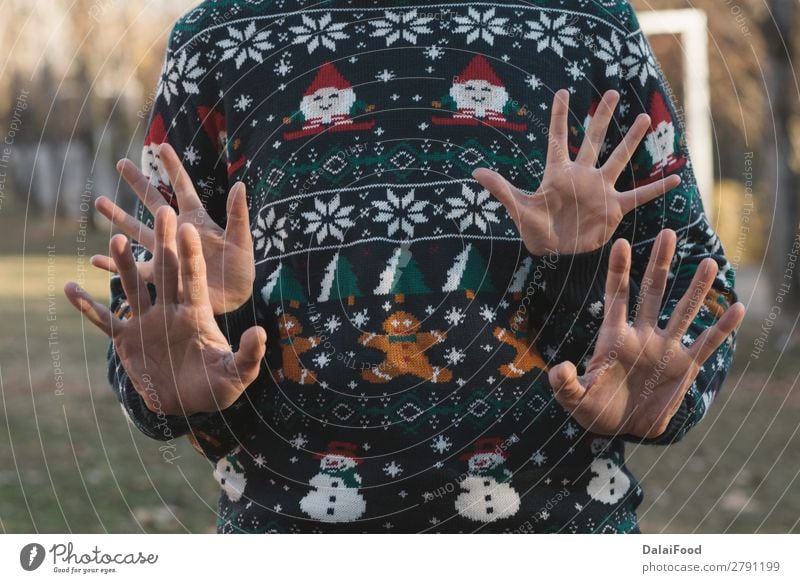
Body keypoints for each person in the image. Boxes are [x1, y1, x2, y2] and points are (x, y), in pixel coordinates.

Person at [65, 0, 744, 533]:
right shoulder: (217, 42)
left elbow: (695, 294)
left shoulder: (591, 28)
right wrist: (191, 361)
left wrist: (623, 350)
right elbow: (151, 341)